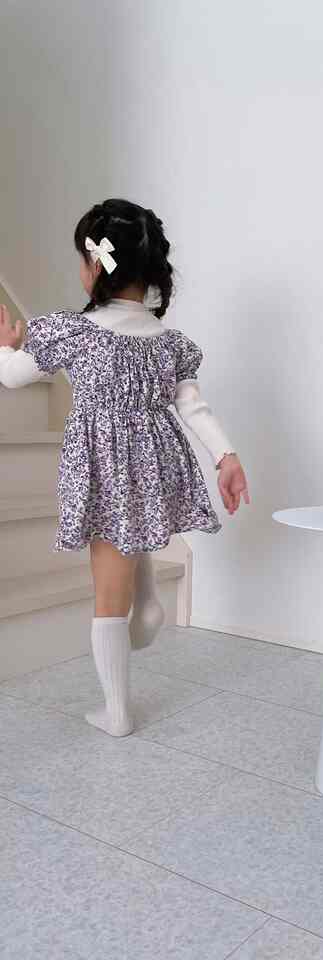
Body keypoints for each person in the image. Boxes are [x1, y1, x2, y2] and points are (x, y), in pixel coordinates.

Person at [0, 198, 249, 737]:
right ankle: (151, 601)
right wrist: (226, 456)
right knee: (127, 538)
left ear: (95, 266)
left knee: (107, 593)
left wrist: (5, 347)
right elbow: (193, 407)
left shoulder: (72, 330)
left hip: (105, 464)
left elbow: (14, 378)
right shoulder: (168, 341)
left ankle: (116, 712)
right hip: (154, 459)